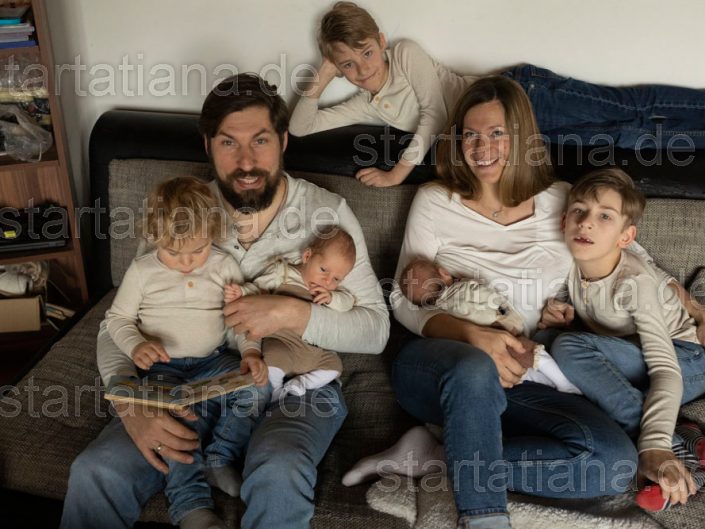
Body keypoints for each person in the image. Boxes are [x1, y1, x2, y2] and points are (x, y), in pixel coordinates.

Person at [60, 73, 389, 529]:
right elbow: (117, 321)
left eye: (260, 141)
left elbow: (376, 329)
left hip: (296, 385)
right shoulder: (181, 212)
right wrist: (131, 405)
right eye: (229, 143)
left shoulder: (326, 214)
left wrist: (292, 312)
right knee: (96, 471)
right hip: (194, 384)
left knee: (278, 472)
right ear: (208, 145)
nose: (246, 161)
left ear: (283, 141)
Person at [290, 1, 705, 188]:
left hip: (522, 95)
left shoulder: (404, 55)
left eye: (366, 52)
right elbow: (300, 128)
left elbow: (435, 115)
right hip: (514, 134)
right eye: (348, 65)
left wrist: (397, 173)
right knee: (622, 137)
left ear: (381, 41)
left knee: (631, 109)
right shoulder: (365, 104)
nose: (362, 69)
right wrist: (323, 72)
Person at [104, 176, 270, 528]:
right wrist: (136, 345)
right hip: (163, 370)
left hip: (212, 362)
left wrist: (251, 352)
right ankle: (191, 507)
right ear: (154, 236)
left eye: (197, 251)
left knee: (258, 385)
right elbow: (118, 319)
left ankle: (219, 457)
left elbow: (240, 320)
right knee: (174, 427)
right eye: (174, 253)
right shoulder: (143, 271)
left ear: (212, 233)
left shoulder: (223, 265)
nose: (186, 263)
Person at [544, 168, 705, 511]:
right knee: (547, 340)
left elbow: (665, 368)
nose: (586, 223)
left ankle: (663, 448)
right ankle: (684, 441)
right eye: (579, 211)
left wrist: (654, 443)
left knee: (567, 347)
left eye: (604, 216)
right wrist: (561, 316)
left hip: (688, 360)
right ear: (564, 220)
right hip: (634, 356)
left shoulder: (634, 283)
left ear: (625, 236)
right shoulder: (570, 265)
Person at [399, 257, 581, 394]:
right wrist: (502, 313)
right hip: (503, 331)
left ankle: (554, 384)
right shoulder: (464, 288)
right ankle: (565, 384)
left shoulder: (443, 314)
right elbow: (488, 298)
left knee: (521, 371)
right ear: (444, 273)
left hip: (488, 356)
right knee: (536, 356)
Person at [225, 226, 357, 399]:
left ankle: (300, 383)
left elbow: (349, 302)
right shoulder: (284, 273)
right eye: (324, 270)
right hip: (282, 344)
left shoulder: (331, 293)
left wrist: (332, 298)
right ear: (307, 256)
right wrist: (242, 291)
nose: (327, 281)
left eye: (336, 279)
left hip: (314, 352)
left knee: (335, 367)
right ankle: (275, 394)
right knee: (271, 362)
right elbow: (259, 289)